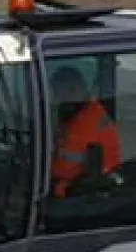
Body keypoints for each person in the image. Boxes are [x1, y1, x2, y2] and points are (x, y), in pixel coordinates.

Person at [49, 65, 121, 197]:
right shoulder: (75, 114)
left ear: (72, 90)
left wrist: (56, 187)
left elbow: (90, 182)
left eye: (57, 93)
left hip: (76, 197)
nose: (55, 99)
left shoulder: (86, 126)